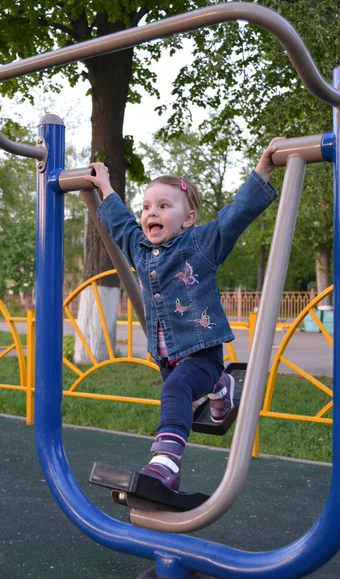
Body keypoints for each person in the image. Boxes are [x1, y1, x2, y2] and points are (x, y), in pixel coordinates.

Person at [84, 140, 279, 491]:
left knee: (177, 390)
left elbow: (235, 216)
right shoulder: (141, 250)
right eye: (146, 207)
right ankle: (221, 387)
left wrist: (262, 169)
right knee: (180, 389)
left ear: (188, 219)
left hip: (202, 352)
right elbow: (120, 225)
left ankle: (166, 463)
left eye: (163, 205)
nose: (150, 213)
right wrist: (105, 187)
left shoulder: (201, 245)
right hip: (166, 357)